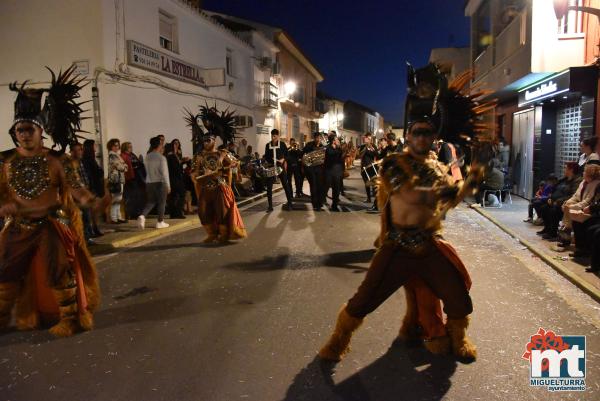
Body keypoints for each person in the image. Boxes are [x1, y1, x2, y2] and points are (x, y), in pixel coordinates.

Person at [318, 62, 489, 363]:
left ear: (434, 139)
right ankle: (337, 342)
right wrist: (450, 189)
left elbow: (450, 200)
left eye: (427, 134)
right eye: (417, 133)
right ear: (408, 137)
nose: (422, 138)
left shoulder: (439, 167)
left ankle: (458, 339)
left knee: (459, 299)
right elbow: (410, 193)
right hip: (397, 247)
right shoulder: (394, 164)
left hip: (430, 244)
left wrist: (473, 178)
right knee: (362, 301)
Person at [0, 66, 104, 337]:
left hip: (51, 224)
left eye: (29, 129)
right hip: (18, 226)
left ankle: (70, 319)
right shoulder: (5, 162)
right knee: (4, 271)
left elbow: (76, 189)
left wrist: (92, 201)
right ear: (14, 133)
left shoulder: (58, 160)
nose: (24, 134)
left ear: (40, 130)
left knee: (59, 270)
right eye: (20, 130)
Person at [187, 105, 247, 243]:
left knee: (222, 212)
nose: (205, 142)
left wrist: (229, 165)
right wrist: (194, 176)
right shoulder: (199, 156)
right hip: (205, 187)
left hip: (220, 186)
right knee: (203, 212)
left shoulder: (222, 153)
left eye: (208, 140)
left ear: (214, 141)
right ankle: (212, 233)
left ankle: (224, 234)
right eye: (204, 140)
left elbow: (236, 163)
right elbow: (194, 171)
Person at [556, 163, 600, 246]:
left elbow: (588, 201)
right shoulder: (583, 182)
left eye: (584, 172)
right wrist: (567, 203)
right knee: (568, 203)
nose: (583, 173)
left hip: (587, 207)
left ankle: (566, 231)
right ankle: (566, 230)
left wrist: (571, 207)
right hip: (579, 203)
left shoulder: (596, 184)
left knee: (569, 207)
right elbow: (576, 196)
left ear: (590, 174)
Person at [537, 162, 581, 240]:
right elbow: (554, 189)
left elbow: (573, 195)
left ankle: (553, 233)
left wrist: (558, 201)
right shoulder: (564, 179)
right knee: (543, 208)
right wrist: (550, 197)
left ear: (571, 170)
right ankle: (547, 229)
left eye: (566, 168)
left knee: (553, 211)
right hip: (554, 201)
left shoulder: (577, 181)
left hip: (563, 203)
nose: (564, 170)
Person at [137, 136, 170, 229]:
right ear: (159, 145)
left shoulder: (147, 157)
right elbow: (164, 173)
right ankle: (160, 221)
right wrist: (168, 185)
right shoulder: (161, 158)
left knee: (151, 201)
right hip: (160, 182)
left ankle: (142, 216)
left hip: (149, 182)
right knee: (162, 202)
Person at [262, 129, 294, 212]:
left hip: (280, 167)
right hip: (271, 167)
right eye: (272, 136)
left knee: (285, 185)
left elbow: (287, 155)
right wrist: (270, 159)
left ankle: (290, 203)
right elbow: (266, 156)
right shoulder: (267, 145)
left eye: (275, 136)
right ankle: (270, 206)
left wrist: (283, 159)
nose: (273, 137)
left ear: (278, 136)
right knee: (269, 187)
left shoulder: (282, 144)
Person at [70, 142, 95, 244]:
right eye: (77, 150)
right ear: (71, 151)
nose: (79, 152)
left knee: (86, 216)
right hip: (78, 195)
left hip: (85, 192)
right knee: (82, 216)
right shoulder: (71, 163)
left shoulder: (80, 162)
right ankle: (84, 238)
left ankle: (87, 236)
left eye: (80, 150)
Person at [81, 140, 105, 237]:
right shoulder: (88, 159)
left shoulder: (90, 158)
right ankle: (92, 229)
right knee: (92, 210)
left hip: (94, 186)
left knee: (94, 210)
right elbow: (92, 174)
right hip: (92, 187)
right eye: (94, 145)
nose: (96, 147)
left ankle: (94, 229)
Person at [303, 132, 326, 211]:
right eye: (317, 138)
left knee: (320, 186)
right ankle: (314, 203)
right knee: (313, 186)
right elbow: (304, 154)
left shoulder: (322, 146)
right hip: (311, 168)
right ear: (314, 138)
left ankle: (320, 203)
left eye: (319, 138)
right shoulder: (309, 145)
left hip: (319, 168)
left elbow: (324, 157)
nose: (318, 139)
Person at [107, 138, 128, 223]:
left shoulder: (116, 155)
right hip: (116, 180)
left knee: (119, 198)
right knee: (116, 199)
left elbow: (123, 166)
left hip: (119, 179)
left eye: (118, 145)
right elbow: (121, 167)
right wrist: (124, 166)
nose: (117, 147)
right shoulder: (112, 155)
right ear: (111, 146)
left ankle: (118, 217)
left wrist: (123, 166)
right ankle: (114, 218)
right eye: (115, 145)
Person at [165, 141, 186, 219]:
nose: (177, 145)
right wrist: (182, 162)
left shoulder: (175, 155)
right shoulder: (171, 155)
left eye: (178, 144)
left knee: (174, 196)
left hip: (175, 178)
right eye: (175, 144)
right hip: (175, 178)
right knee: (181, 194)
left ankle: (174, 213)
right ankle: (177, 213)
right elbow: (175, 168)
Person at [324, 133, 344, 211]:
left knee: (336, 189)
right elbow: (331, 155)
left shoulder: (339, 149)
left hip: (337, 171)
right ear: (333, 141)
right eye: (336, 139)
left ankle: (334, 205)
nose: (338, 140)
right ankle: (321, 200)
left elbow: (340, 158)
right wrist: (338, 148)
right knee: (326, 187)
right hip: (329, 171)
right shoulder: (328, 148)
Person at [358, 132, 379, 205]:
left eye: (370, 139)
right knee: (366, 183)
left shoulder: (374, 146)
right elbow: (360, 155)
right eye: (367, 138)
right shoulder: (362, 146)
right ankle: (368, 198)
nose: (369, 140)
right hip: (364, 166)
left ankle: (375, 199)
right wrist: (366, 148)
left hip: (371, 166)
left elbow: (376, 155)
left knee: (373, 182)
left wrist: (372, 149)